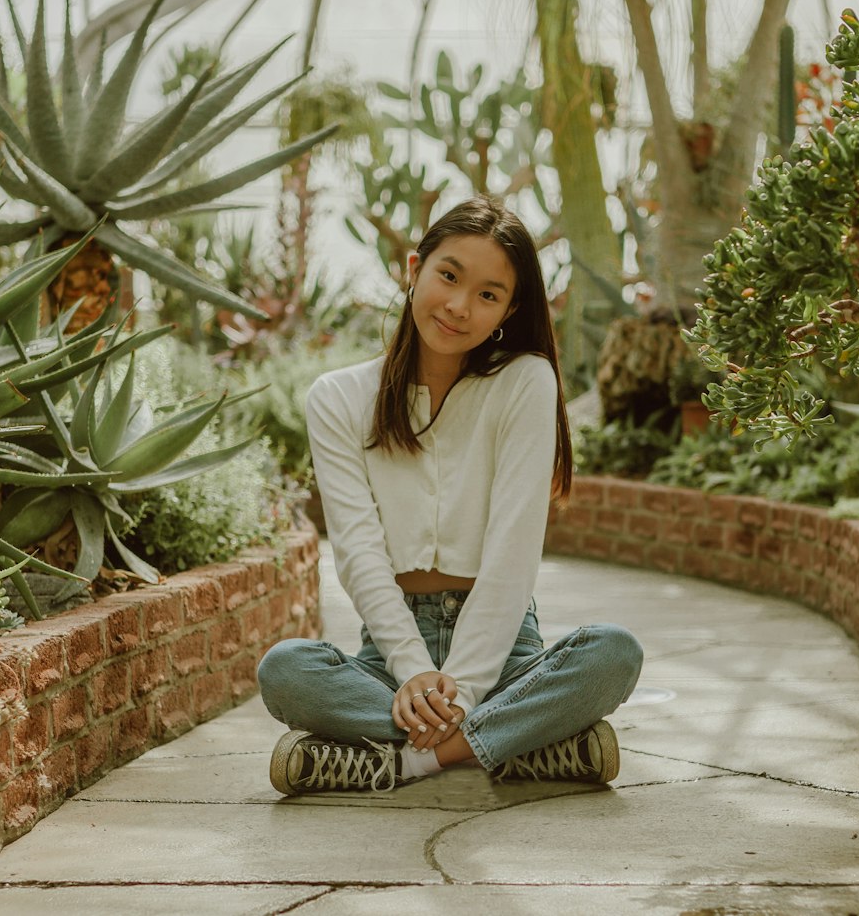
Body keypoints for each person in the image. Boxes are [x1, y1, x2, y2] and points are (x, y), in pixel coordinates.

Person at [257, 195, 643, 795]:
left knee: (614, 653)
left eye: (488, 294)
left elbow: (514, 556)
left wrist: (459, 692)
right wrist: (414, 673)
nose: (460, 306)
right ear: (414, 270)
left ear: (508, 310)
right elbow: (358, 553)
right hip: (389, 659)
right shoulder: (337, 398)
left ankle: (405, 760)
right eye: (449, 276)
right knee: (284, 671)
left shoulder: (524, 382)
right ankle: (520, 746)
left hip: (506, 648)